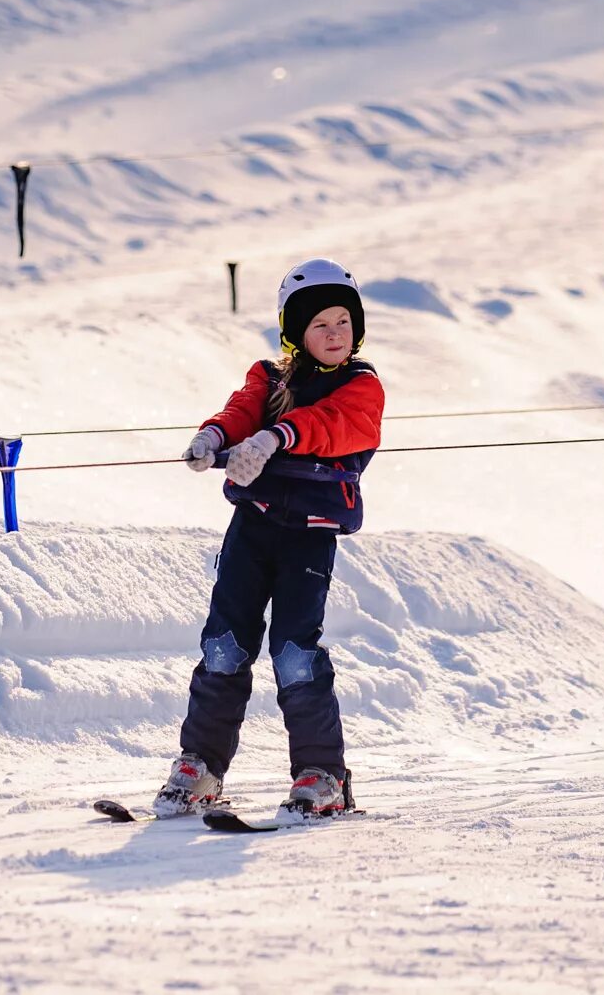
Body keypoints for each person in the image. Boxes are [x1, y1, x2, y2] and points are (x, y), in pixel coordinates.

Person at [156, 258, 386, 821]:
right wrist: (216, 435)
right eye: (320, 325)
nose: (334, 334)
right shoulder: (270, 377)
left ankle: (321, 775)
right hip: (254, 528)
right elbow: (243, 410)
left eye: (342, 322)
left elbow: (333, 424)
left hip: (309, 537)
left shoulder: (361, 386)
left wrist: (276, 437)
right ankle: (201, 766)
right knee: (224, 647)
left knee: (294, 655)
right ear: (295, 333)